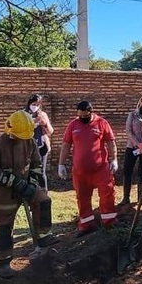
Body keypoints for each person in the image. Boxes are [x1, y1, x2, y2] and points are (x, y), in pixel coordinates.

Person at [0, 110, 58, 279]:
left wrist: (31, 184)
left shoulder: (30, 142)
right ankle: (3, 262)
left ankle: (43, 236)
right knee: (4, 225)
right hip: (4, 192)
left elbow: (36, 164)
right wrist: (16, 183)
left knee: (44, 200)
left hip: (26, 185)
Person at [58, 101, 119, 237]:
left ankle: (109, 221)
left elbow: (111, 142)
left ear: (90, 113)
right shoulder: (73, 125)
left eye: (85, 116)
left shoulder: (102, 123)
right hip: (80, 172)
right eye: (79, 116)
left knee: (107, 194)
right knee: (82, 197)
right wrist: (61, 164)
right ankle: (86, 224)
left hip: (101, 168)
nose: (82, 118)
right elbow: (66, 145)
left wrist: (114, 159)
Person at [119, 94, 142, 206]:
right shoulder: (133, 115)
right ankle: (126, 198)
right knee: (127, 171)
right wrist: (137, 143)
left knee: (141, 172)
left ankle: (140, 197)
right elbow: (129, 131)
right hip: (132, 146)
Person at [24, 93, 54, 191]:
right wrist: (32, 123)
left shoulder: (43, 114)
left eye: (38, 105)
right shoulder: (23, 114)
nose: (35, 107)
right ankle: (30, 191)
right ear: (29, 103)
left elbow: (50, 132)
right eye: (34, 104)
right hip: (27, 147)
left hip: (41, 146)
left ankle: (44, 193)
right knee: (27, 170)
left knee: (41, 171)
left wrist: (44, 124)